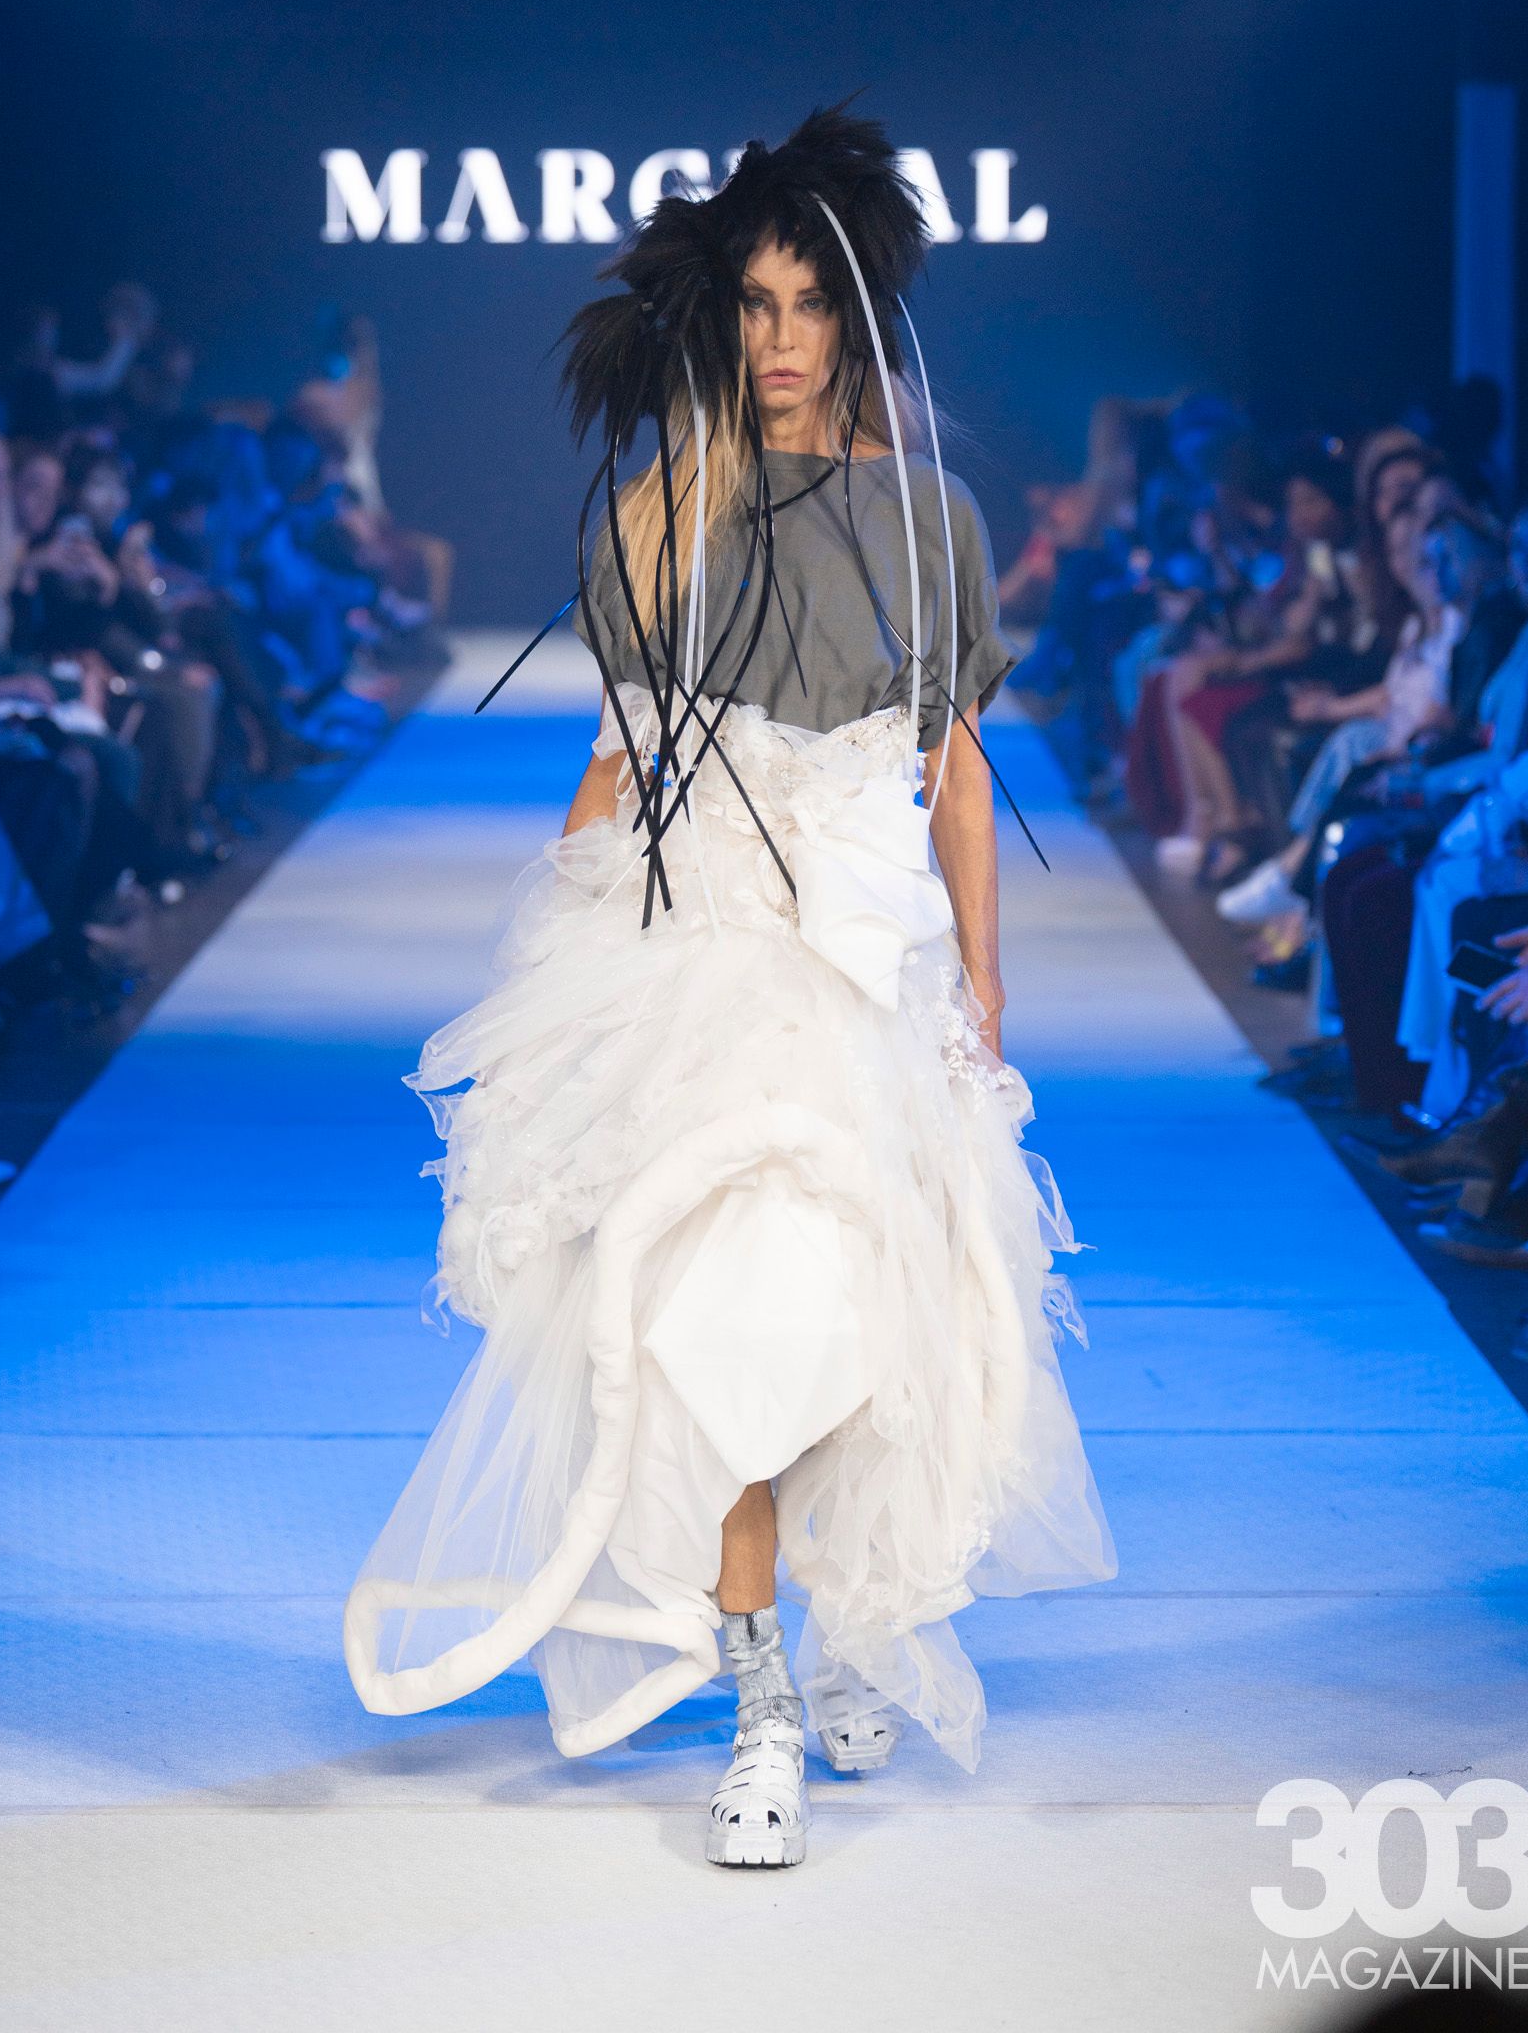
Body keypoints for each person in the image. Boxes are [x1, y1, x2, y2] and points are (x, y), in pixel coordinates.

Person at [343, 110, 1115, 1870]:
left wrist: (987, 987)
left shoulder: (931, 520)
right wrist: (552, 965)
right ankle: (759, 1695)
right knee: (716, 1329)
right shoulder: (663, 513)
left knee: (868, 1330)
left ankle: (849, 1626)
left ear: (856, 315)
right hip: (696, 962)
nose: (778, 339)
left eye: (807, 305)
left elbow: (957, 767)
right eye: (753, 305)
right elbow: (621, 756)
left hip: (870, 970)